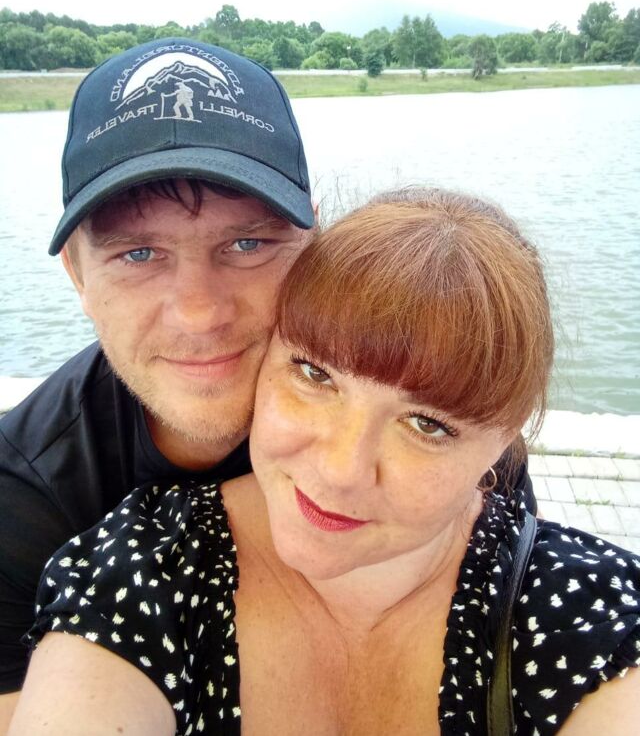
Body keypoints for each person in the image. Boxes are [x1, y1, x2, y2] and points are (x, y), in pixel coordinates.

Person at [9, 189, 639, 735]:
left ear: (504, 442)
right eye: (315, 375)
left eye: (428, 425)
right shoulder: (135, 571)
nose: (341, 471)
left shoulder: (587, 612)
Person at [0, 36, 316, 726]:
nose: (199, 312)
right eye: (139, 253)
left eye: (248, 244)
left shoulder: (424, 420)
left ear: (312, 244)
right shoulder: (18, 502)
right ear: (78, 275)